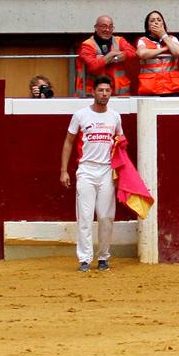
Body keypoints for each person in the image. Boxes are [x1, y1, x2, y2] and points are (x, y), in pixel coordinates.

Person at [60, 74, 123, 273]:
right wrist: (64, 171)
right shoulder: (80, 115)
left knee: (106, 216)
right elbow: (69, 142)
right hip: (86, 169)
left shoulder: (115, 116)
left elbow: (120, 143)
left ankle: (103, 257)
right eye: (101, 90)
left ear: (111, 92)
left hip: (106, 171)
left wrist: (121, 169)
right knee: (85, 216)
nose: (104, 94)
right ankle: (85, 259)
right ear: (93, 92)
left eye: (107, 90)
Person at [135, 10, 179, 96]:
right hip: (149, 88)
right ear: (148, 27)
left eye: (159, 20)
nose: (156, 22)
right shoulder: (143, 40)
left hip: (172, 88)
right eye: (152, 20)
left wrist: (163, 35)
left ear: (163, 24)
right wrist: (164, 49)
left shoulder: (172, 39)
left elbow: (178, 52)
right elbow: (142, 53)